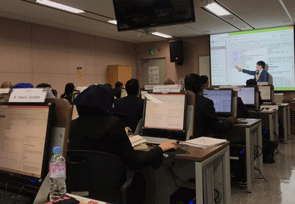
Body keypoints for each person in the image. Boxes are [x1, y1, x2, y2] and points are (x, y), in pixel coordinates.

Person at [68, 84, 179, 204]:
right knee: (140, 179)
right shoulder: (112, 124)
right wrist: (159, 149)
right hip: (109, 185)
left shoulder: (71, 126)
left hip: (80, 186)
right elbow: (135, 161)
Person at [185, 73, 235, 138]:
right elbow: (217, 128)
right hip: (203, 141)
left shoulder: (181, 101)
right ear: (200, 86)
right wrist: (229, 121)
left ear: (185, 86)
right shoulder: (205, 102)